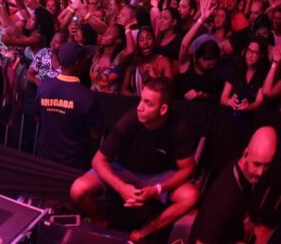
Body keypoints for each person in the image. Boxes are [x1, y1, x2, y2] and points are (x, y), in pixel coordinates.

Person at [70, 77, 198, 242]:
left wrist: (157, 189)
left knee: (191, 196)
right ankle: (99, 221)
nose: (140, 107)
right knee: (78, 189)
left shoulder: (178, 127)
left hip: (159, 176)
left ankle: (143, 232)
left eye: (148, 103)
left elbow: (188, 168)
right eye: (141, 100)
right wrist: (121, 187)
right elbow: (98, 160)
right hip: (124, 170)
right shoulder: (129, 120)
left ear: (163, 109)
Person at [192, 126, 278, 244]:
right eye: (257, 164)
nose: (261, 172)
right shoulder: (225, 199)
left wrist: (246, 220)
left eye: (267, 165)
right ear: (246, 154)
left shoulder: (242, 173)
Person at [35, 40, 101, 169]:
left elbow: (37, 118)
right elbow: (95, 134)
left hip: (44, 161)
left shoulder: (44, 87)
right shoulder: (87, 96)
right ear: (77, 63)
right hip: (72, 165)